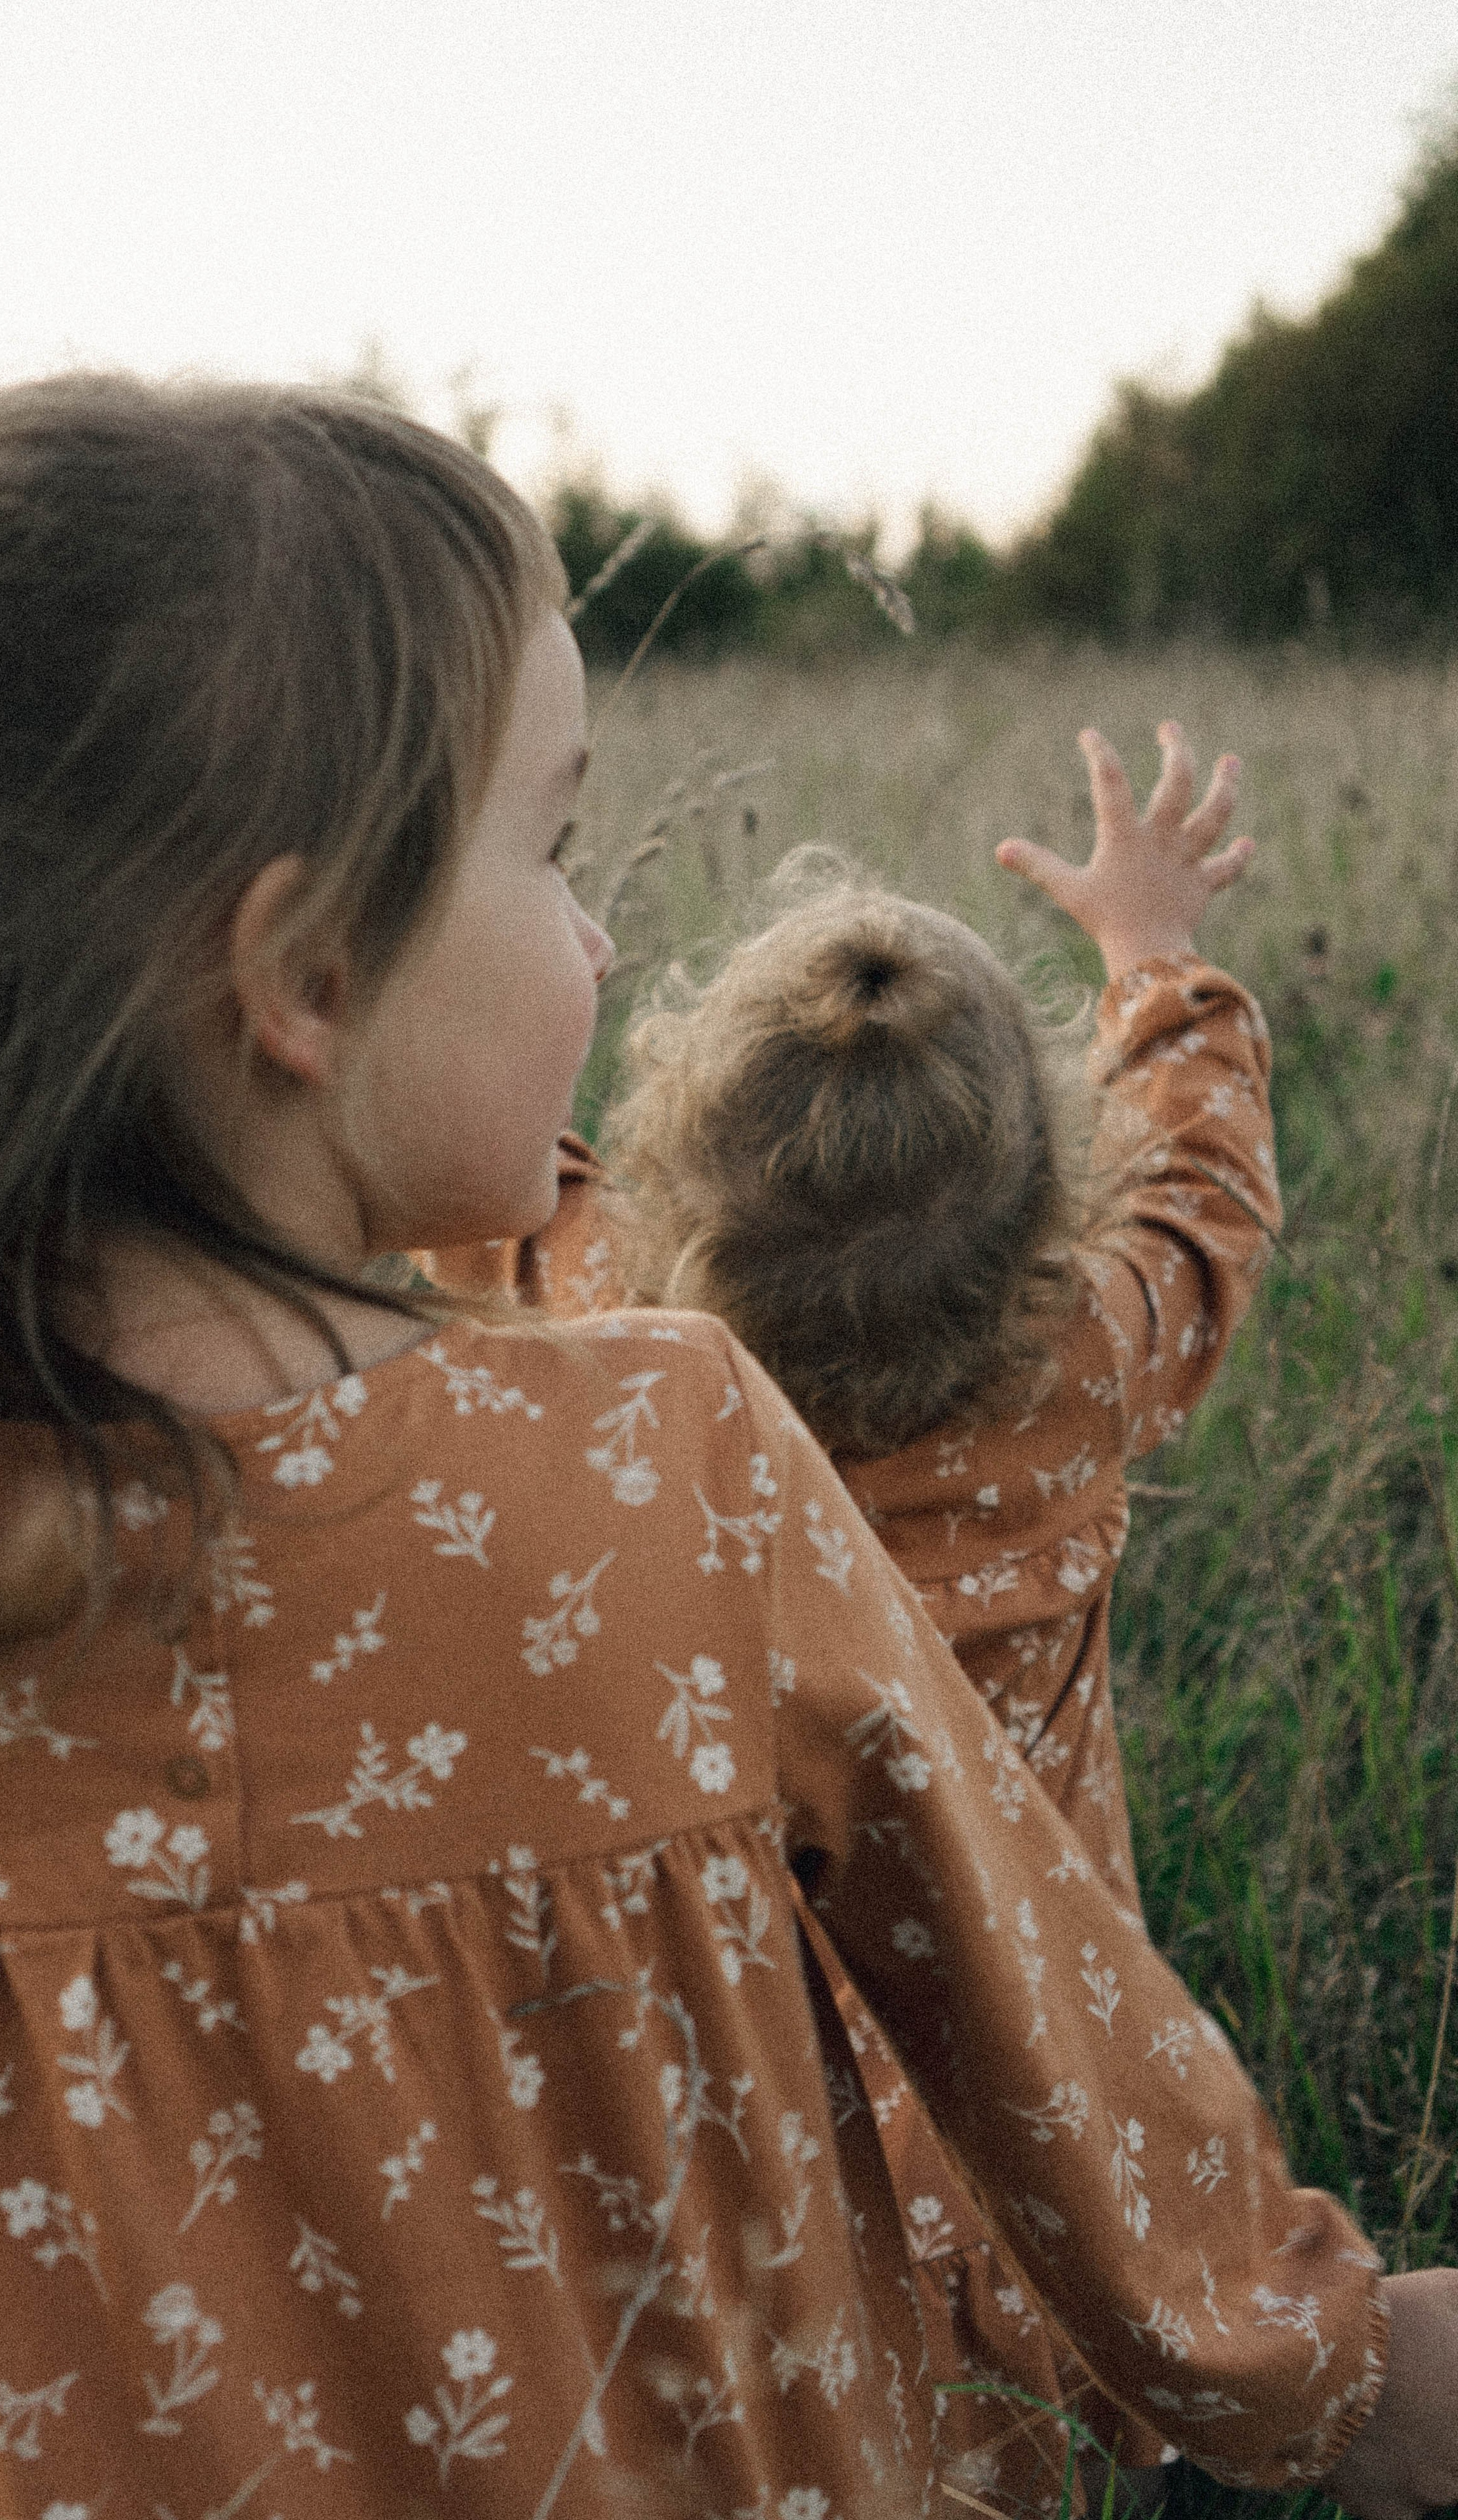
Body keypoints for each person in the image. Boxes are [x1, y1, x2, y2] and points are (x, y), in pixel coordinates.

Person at [0, 377, 1450, 2520]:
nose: (593, 935)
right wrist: (1325, 2364)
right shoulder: (654, 1461)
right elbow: (1050, 2036)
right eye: (551, 848)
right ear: (303, 969)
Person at [420, 730, 1281, 2500]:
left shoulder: (609, 1353)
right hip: (1012, 2028)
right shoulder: (1095, 1359)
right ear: (1052, 1200)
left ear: (675, 1171)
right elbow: (1205, 1188)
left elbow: (490, 1196)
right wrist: (1154, 955)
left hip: (717, 2053)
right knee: (1015, 2321)